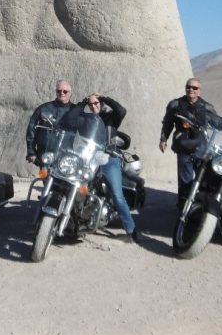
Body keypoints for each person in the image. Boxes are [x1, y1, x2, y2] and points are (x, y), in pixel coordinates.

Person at [65, 93, 139, 243]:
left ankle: (131, 231)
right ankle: (73, 222)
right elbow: (70, 120)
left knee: (117, 195)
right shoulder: (85, 119)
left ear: (102, 103)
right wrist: (82, 103)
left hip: (108, 159)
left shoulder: (111, 118)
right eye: (91, 104)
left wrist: (104, 98)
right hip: (88, 157)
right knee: (75, 185)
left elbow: (121, 111)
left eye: (97, 103)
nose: (94, 106)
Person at [159, 78, 218, 208]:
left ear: (199, 91)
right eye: (188, 87)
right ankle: (183, 207)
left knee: (202, 180)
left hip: (201, 149)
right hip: (183, 147)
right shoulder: (175, 105)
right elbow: (167, 123)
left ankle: (200, 207)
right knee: (185, 180)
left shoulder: (207, 107)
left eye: (195, 88)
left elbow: (217, 124)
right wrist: (163, 139)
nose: (191, 89)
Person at [25, 80, 75, 164]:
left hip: (66, 156)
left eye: (65, 91)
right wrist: (31, 151)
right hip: (45, 154)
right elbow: (31, 130)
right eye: (59, 91)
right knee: (44, 177)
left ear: (70, 93)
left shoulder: (75, 110)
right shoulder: (44, 109)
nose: (62, 93)